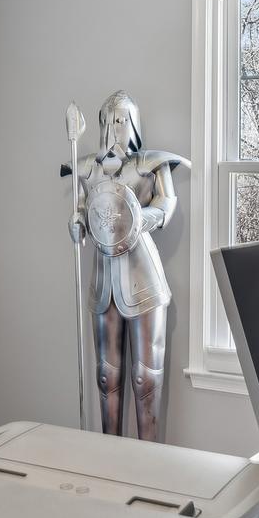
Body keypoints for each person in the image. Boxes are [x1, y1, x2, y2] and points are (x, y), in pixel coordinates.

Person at [69, 91, 189, 440]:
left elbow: (167, 204)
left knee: (146, 376)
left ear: (134, 123)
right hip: (104, 277)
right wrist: (77, 223)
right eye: (113, 119)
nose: (118, 126)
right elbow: (82, 208)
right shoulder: (88, 168)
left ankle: (148, 459)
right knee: (107, 374)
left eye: (124, 119)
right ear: (104, 124)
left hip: (143, 275)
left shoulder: (150, 164)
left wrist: (139, 219)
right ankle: (110, 456)